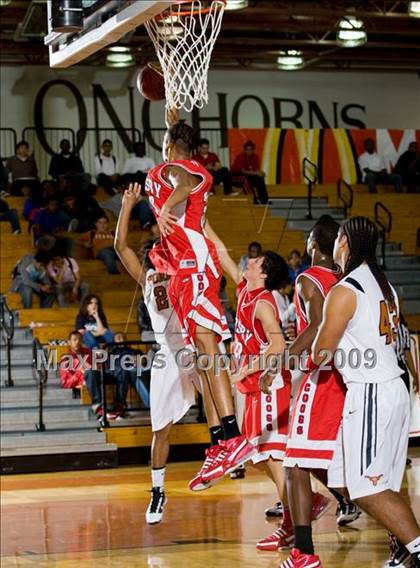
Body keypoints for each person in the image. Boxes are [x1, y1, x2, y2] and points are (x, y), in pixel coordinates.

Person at [145, 112, 254, 491]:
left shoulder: (181, 171)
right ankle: (223, 440)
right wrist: (241, 282)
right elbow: (214, 239)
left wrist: (162, 209)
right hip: (187, 271)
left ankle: (232, 436)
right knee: (204, 362)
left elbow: (182, 179)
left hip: (193, 269)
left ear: (171, 146)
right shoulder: (190, 180)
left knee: (210, 356)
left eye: (165, 143)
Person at [306, 216, 420, 568]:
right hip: (392, 388)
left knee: (367, 487)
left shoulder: (345, 290)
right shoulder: (385, 284)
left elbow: (320, 353)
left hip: (371, 392)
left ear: (344, 242)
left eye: (339, 238)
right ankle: (403, 546)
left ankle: (416, 547)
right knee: (356, 476)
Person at [115, 184, 201, 523]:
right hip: (168, 353)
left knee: (228, 402)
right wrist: (127, 205)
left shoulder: (186, 271)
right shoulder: (148, 278)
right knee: (160, 429)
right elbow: (120, 246)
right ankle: (158, 491)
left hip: (195, 348)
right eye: (156, 252)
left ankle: (229, 455)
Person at [279, 216, 360, 565]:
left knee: (295, 463)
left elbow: (315, 326)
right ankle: (360, 508)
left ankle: (304, 552)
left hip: (320, 376)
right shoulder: (343, 280)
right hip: (344, 376)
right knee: (323, 461)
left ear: (314, 244)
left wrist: (284, 358)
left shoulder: (308, 278)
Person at [59, 330, 92, 399]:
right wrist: (80, 372)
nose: (77, 342)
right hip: (81, 390)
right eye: (74, 340)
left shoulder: (89, 353)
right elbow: (65, 383)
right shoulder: (66, 360)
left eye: (79, 340)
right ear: (69, 342)